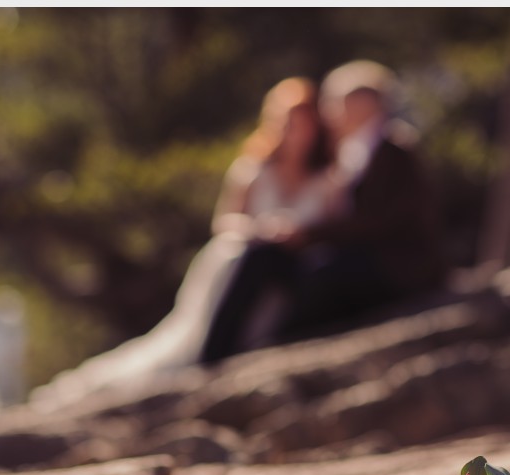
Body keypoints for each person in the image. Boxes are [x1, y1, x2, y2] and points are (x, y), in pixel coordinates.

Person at [29, 77, 339, 410]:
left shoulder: (326, 178)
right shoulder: (253, 169)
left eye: (305, 126)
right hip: (236, 260)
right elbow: (225, 221)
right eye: (290, 125)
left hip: (281, 275)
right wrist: (264, 230)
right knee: (180, 345)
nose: (298, 134)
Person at [200, 60, 444, 363]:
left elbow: (387, 220)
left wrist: (309, 234)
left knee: (323, 273)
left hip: (393, 266)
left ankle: (279, 348)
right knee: (265, 258)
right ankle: (218, 354)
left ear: (361, 103)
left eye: (334, 101)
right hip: (355, 257)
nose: (328, 111)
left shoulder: (396, 148)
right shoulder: (352, 151)